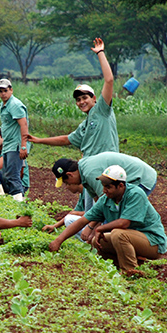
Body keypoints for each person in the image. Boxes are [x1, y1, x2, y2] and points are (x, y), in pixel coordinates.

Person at [28, 37, 117, 209]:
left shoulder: (102, 111)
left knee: (105, 207)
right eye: (78, 100)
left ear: (94, 98)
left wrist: (100, 53)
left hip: (105, 167)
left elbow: (109, 80)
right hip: (89, 170)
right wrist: (39, 140)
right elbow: (66, 139)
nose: (81, 102)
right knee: (91, 210)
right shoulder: (85, 124)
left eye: (84, 98)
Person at [48, 165, 167, 274]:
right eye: (103, 186)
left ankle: (130, 272)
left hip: (152, 242)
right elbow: (83, 221)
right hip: (131, 238)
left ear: (121, 186)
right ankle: (118, 268)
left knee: (118, 234)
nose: (104, 190)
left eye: (108, 187)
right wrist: (58, 240)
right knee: (97, 241)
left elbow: (124, 223)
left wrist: (100, 228)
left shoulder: (135, 194)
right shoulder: (106, 199)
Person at [0, 78, 30, 201]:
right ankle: (14, 201)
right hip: (8, 144)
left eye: (5, 90)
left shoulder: (14, 104)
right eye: (0, 91)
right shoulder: (4, 105)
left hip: (15, 145)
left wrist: (23, 146)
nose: (3, 93)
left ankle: (19, 204)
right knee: (7, 175)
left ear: (11, 90)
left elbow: (24, 125)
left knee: (13, 176)